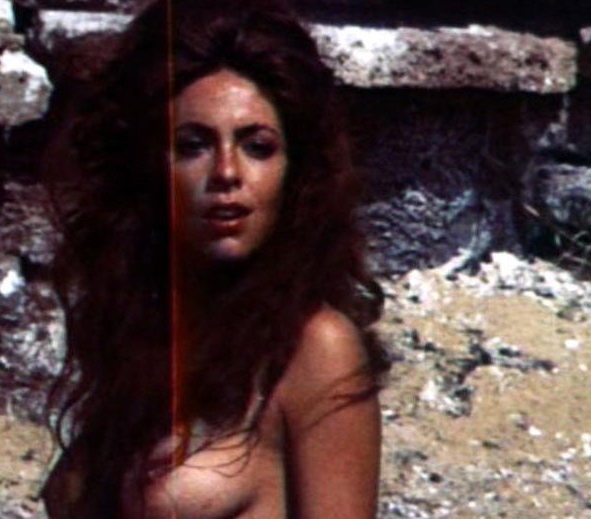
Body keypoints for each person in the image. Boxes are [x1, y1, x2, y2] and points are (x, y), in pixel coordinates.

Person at [40, 0, 391, 516]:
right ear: (147, 167)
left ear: (296, 173)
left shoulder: (314, 350)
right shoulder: (144, 339)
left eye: (258, 147)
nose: (226, 172)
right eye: (193, 145)